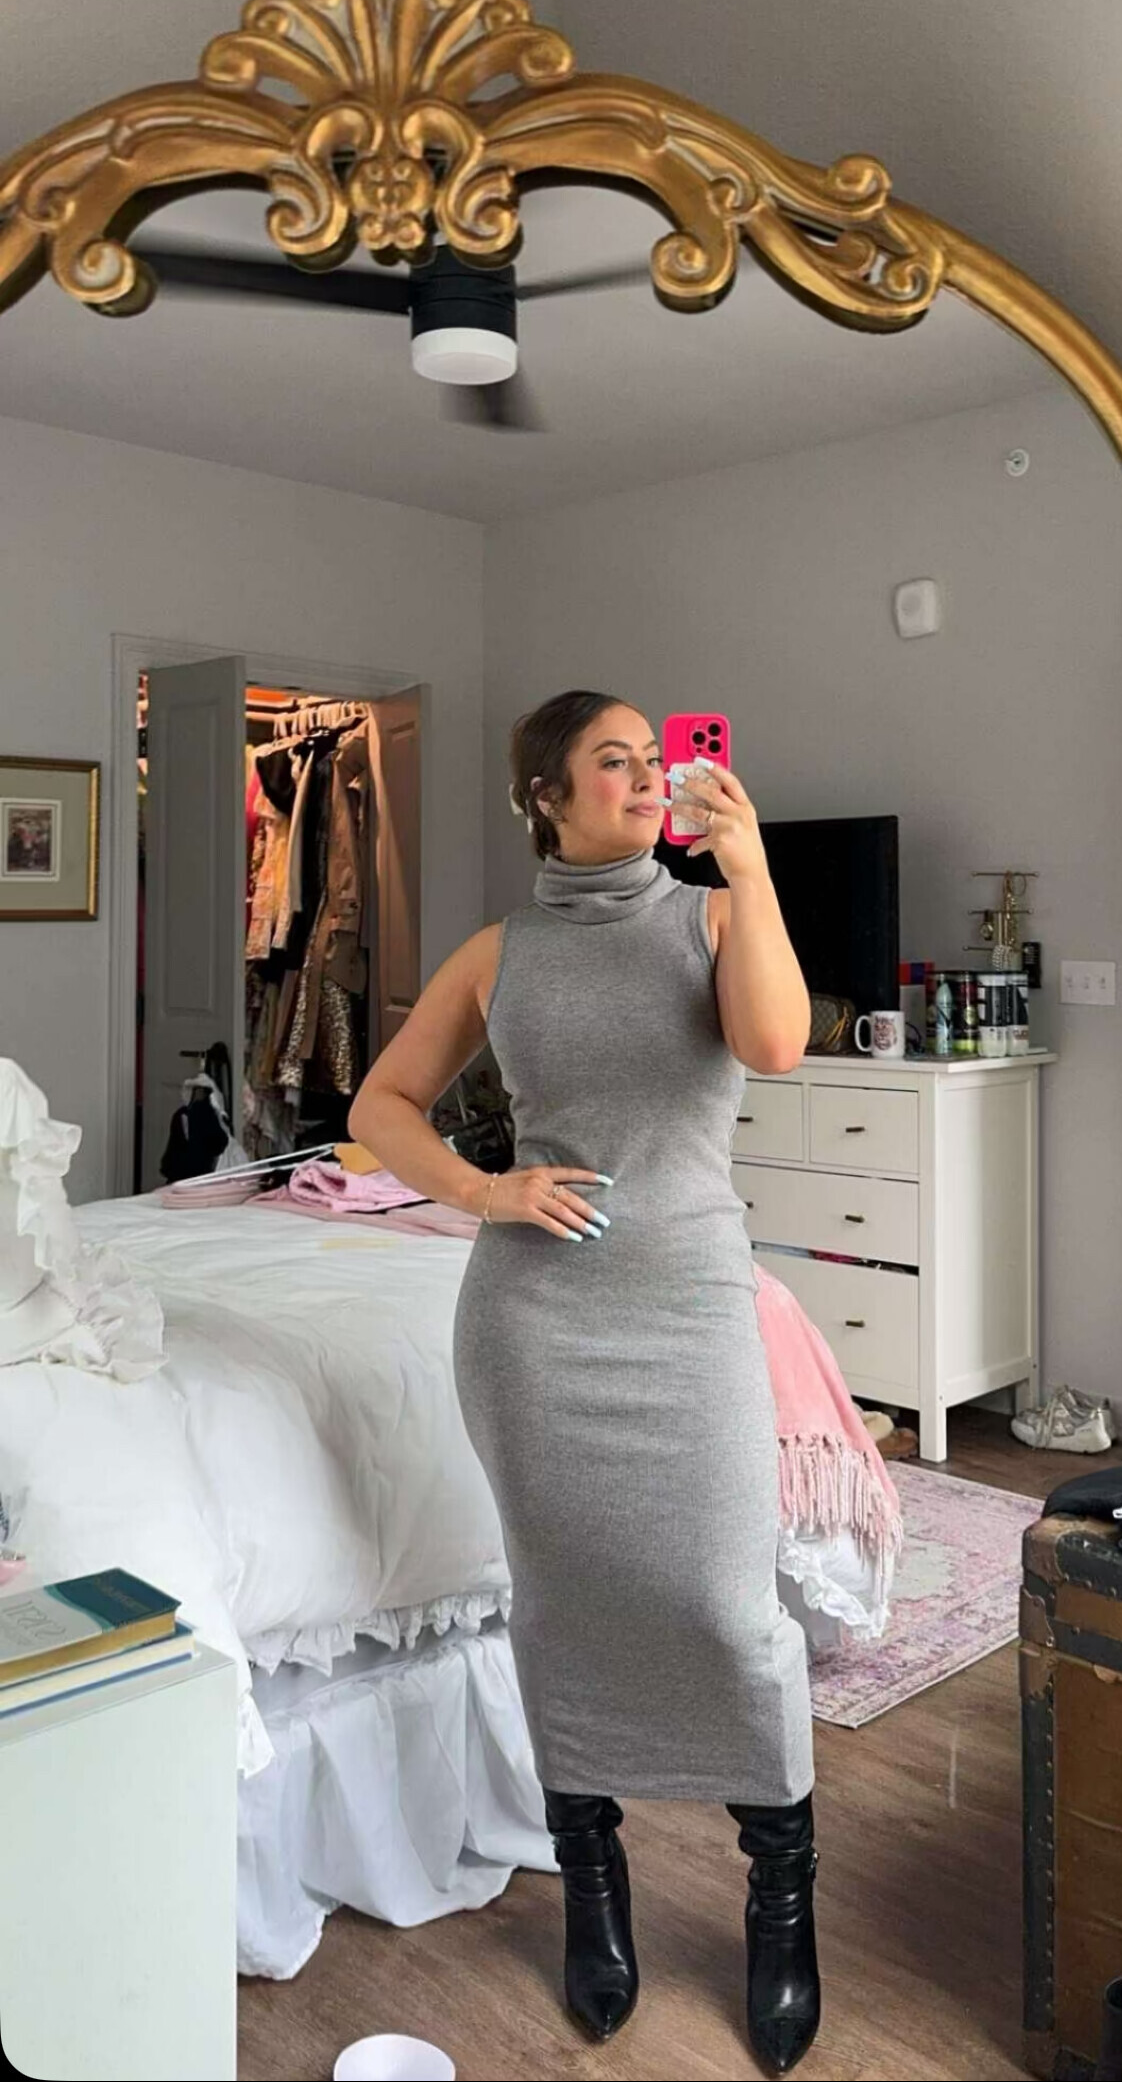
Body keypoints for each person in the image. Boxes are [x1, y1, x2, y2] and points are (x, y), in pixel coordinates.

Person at [349, 691, 821, 2075]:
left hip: (688, 1306)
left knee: (730, 1608)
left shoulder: (714, 916)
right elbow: (379, 1108)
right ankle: (593, 1889)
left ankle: (780, 1902)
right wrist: (483, 1189)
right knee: (558, 1606)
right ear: (545, 796)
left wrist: (749, 867)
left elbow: (778, 1046)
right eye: (612, 761)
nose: (649, 775)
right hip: (533, 1326)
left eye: (652, 757)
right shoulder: (499, 952)